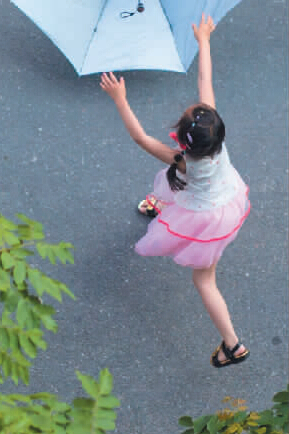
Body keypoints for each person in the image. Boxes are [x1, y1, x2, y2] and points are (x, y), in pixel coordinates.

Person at [100, 14, 250, 368]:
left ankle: (233, 344)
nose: (193, 106)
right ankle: (158, 205)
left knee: (204, 279)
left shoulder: (182, 162)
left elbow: (141, 138)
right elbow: (205, 81)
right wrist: (204, 42)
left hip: (207, 217)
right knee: (171, 190)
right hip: (228, 200)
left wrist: (120, 98)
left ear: (182, 141)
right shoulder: (211, 140)